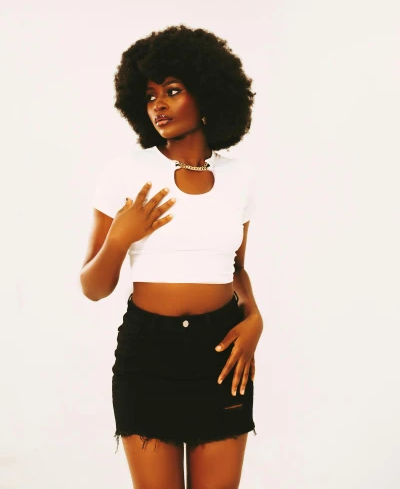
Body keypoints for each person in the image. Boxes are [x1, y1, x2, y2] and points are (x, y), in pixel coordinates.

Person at [80, 24, 263, 489]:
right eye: (150, 95)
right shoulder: (126, 172)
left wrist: (256, 319)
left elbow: (237, 267)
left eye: (173, 91)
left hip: (221, 356)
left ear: (207, 95)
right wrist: (120, 238)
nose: (158, 104)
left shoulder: (239, 179)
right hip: (149, 355)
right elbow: (93, 287)